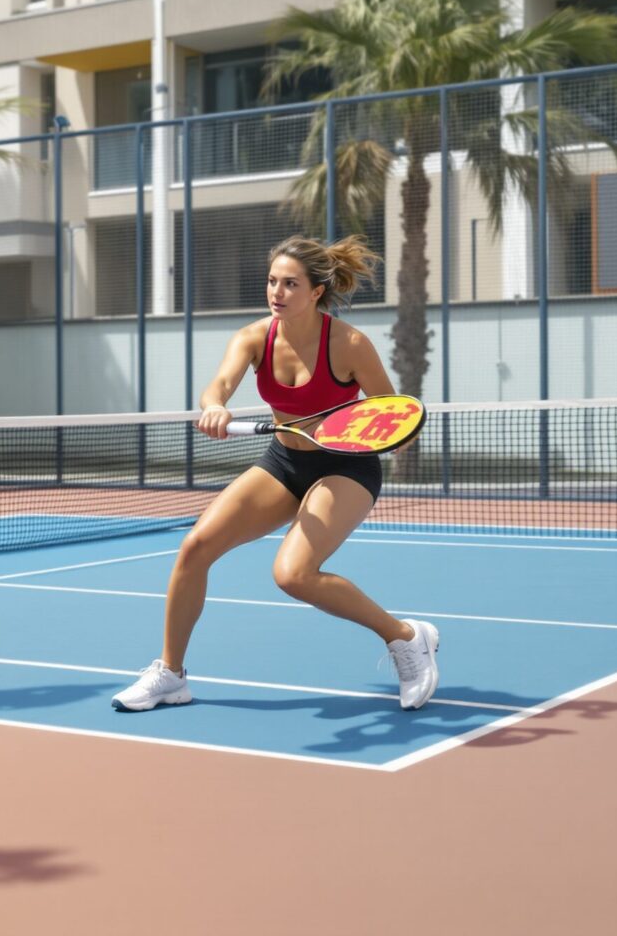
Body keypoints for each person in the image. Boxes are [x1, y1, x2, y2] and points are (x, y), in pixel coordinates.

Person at [111, 235, 441, 713]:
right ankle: (170, 676)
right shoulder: (252, 338)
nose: (277, 292)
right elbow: (219, 384)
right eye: (272, 282)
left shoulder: (349, 344)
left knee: (293, 575)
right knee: (195, 549)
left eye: (290, 283)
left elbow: (392, 414)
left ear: (316, 292)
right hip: (285, 461)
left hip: (345, 466)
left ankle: (406, 638)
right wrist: (214, 407)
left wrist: (391, 436)